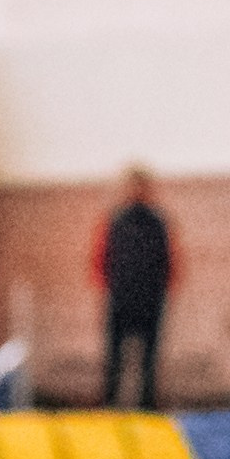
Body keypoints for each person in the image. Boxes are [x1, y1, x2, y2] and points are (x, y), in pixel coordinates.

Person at [93, 168, 179, 410]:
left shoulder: (159, 222)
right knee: (114, 358)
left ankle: (147, 407)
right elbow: (101, 259)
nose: (136, 191)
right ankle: (110, 405)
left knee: (149, 360)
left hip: (151, 300)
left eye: (141, 186)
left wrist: (164, 289)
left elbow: (170, 260)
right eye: (132, 186)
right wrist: (109, 288)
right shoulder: (114, 221)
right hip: (120, 299)